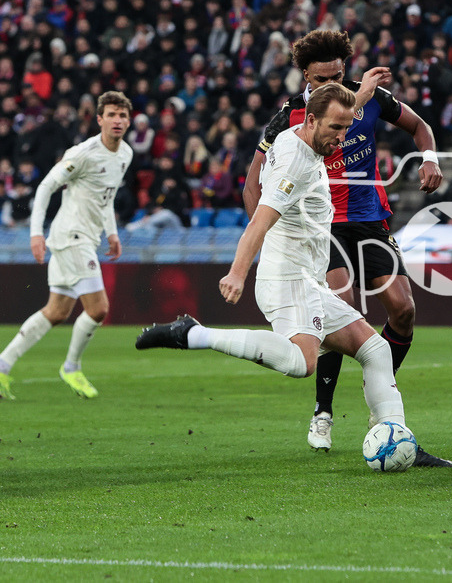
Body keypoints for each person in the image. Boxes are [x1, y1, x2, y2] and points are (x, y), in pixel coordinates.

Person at [136, 84, 413, 447]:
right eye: (336, 129)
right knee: (303, 363)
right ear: (311, 120)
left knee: (375, 350)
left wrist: (359, 97)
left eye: (346, 129)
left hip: (309, 281)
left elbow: (330, 118)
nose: (342, 138)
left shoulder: (295, 137)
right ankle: (193, 334)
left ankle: (396, 437)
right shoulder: (296, 163)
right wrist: (237, 271)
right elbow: (259, 221)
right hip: (288, 279)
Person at [240, 30, 452, 467]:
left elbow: (419, 127)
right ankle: (323, 411)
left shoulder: (369, 96)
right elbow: (252, 181)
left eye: (337, 75)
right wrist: (267, 234)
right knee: (343, 305)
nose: (330, 85)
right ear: (305, 76)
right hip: (321, 227)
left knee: (403, 309)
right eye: (320, 79)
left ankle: (382, 396)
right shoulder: (290, 116)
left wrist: (430, 158)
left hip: (370, 217)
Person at [0, 91, 134, 400]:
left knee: (57, 311)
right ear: (99, 119)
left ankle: (3, 365)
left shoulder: (125, 154)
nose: (117, 120)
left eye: (122, 115)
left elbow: (107, 196)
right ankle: (71, 367)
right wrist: (35, 233)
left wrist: (112, 232)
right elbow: (46, 185)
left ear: (129, 121)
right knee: (99, 309)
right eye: (111, 114)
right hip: (72, 237)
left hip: (84, 237)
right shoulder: (84, 152)